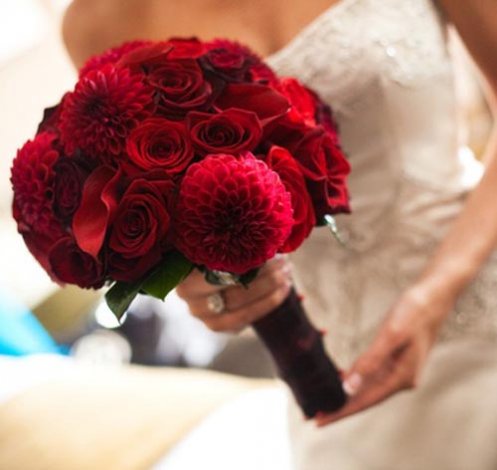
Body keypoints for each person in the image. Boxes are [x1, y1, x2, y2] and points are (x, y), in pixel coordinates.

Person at [63, 0, 497, 468]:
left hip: (478, 289)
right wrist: (205, 287)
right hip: (336, 379)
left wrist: (435, 293)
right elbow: (160, 212)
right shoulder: (97, 22)